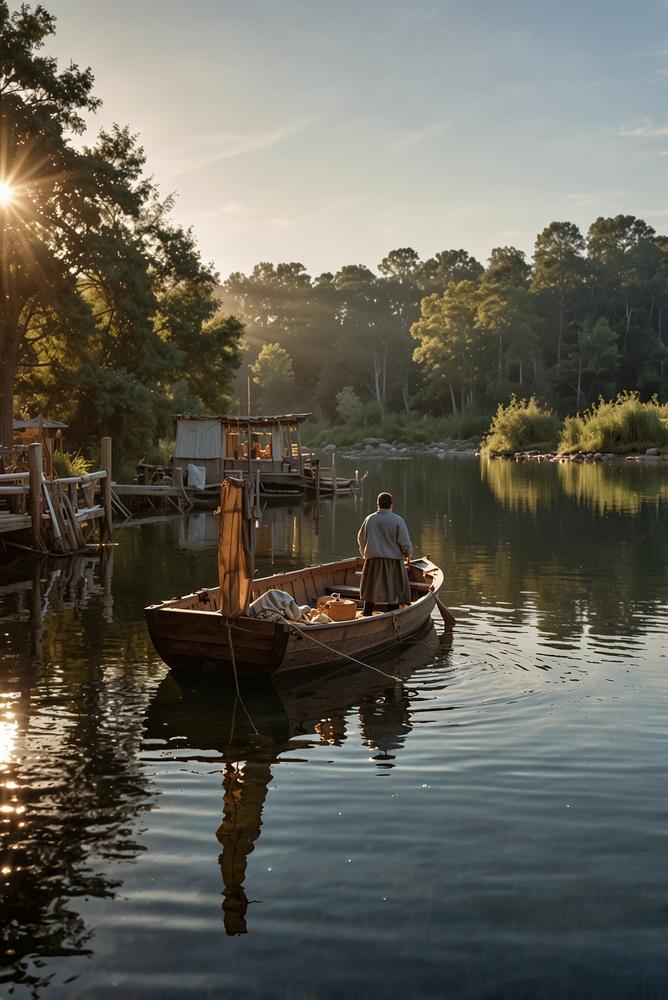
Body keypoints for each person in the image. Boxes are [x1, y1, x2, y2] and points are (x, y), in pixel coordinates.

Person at [357, 491, 413, 616]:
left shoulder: (369, 519)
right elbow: (405, 543)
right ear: (391, 505)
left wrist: (364, 554)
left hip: (372, 562)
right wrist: (408, 554)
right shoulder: (398, 520)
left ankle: (366, 615)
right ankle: (393, 617)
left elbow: (361, 538)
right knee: (392, 593)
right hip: (393, 563)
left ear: (378, 504)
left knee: (370, 593)